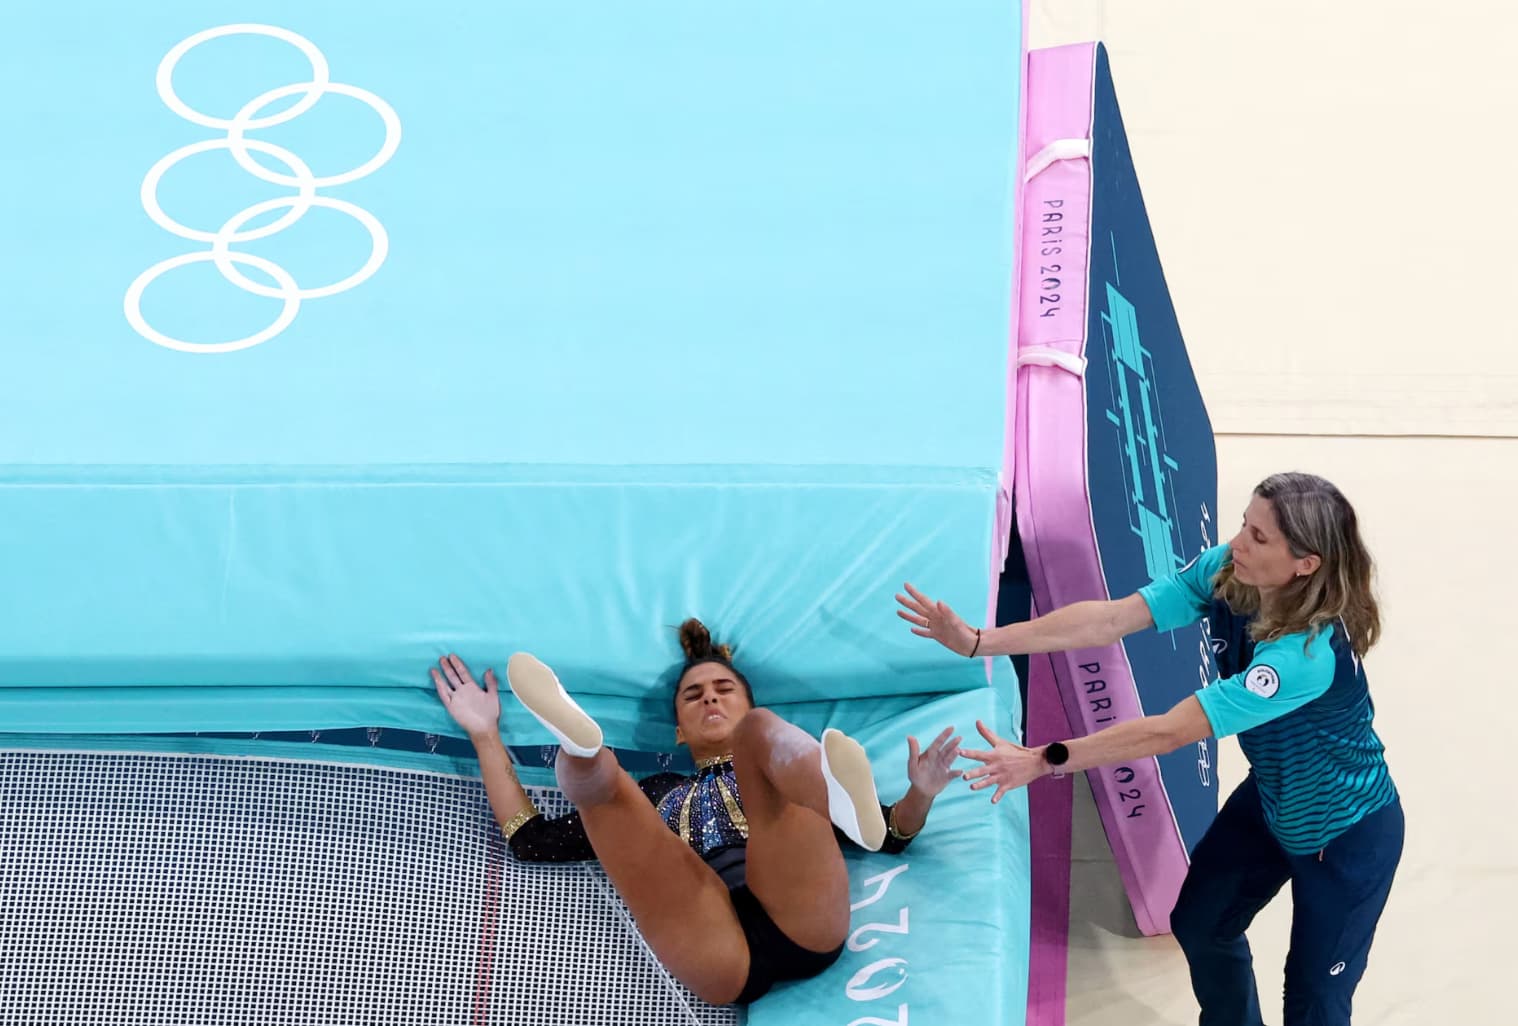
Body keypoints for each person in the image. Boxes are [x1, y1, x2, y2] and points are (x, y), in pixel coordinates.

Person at [897, 472, 1402, 1026]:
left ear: (1305, 563)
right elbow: (1113, 618)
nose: (1239, 543)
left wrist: (1045, 759)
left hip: (1345, 835)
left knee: (1313, 1001)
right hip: (1274, 800)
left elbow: (1167, 732)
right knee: (1202, 922)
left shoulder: (1303, 658)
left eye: (1260, 538)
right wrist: (978, 641)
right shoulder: (1228, 574)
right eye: (1244, 525)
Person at [431, 618, 962, 1006]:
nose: (710, 700)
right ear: (680, 729)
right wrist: (484, 733)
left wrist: (922, 793)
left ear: (742, 700)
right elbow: (531, 840)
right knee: (611, 793)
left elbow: (891, 833)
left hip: (800, 908)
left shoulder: (759, 738)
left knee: (761, 737)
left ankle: (837, 799)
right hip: (710, 940)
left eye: (724, 689)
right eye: (693, 696)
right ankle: (582, 750)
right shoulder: (660, 788)